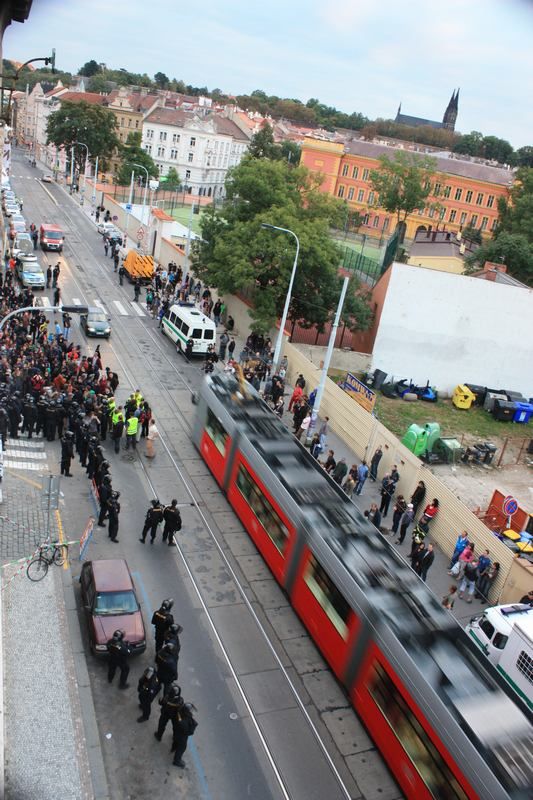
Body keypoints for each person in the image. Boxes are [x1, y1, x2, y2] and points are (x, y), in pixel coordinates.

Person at [171, 702, 198, 769]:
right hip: (182, 736)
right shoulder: (185, 721)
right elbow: (189, 732)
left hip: (177, 732)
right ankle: (177, 761)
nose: (192, 713)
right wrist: (193, 726)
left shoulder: (180, 712)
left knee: (175, 741)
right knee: (182, 748)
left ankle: (173, 747)